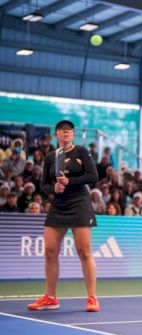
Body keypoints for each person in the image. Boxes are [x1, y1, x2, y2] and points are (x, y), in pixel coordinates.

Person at [27, 120, 100, 312]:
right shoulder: (51, 156)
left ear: (73, 135)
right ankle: (50, 298)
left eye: (69, 130)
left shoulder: (82, 152)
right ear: (56, 135)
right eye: (61, 130)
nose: (65, 132)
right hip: (58, 205)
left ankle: (92, 297)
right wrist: (55, 188)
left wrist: (70, 181)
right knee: (50, 252)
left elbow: (93, 176)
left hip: (79, 204)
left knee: (84, 252)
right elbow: (43, 184)